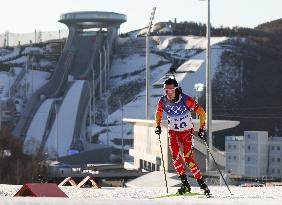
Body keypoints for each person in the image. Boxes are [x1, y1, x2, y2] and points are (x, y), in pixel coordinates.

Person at [154, 78, 210, 195]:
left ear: (175, 89)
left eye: (170, 90)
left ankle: (202, 184)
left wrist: (202, 128)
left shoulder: (185, 99)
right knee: (175, 157)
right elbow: (158, 113)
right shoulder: (163, 101)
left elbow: (201, 112)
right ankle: (185, 185)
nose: (168, 93)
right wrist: (157, 125)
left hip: (186, 133)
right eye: (165, 90)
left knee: (188, 159)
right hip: (173, 132)